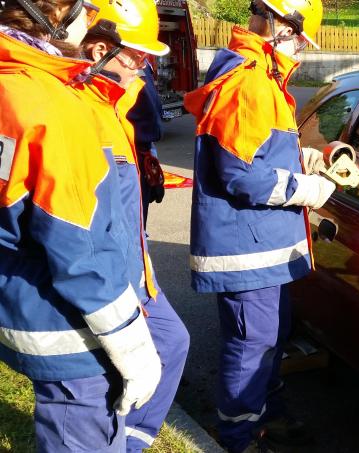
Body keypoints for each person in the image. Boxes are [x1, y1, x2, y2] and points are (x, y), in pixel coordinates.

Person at [0, 0, 162, 451]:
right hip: (69, 328)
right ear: (56, 16)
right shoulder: (50, 103)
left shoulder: (10, 84)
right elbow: (81, 247)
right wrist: (132, 348)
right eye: (84, 10)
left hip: (24, 299)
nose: (90, 21)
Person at [184, 0, 330, 451]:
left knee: (271, 338)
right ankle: (236, 435)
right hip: (246, 248)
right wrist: (305, 190)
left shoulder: (263, 77)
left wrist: (302, 159)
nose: (299, 52)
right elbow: (239, 174)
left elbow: (258, 152)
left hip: (264, 246)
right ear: (282, 27)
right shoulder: (249, 80)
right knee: (252, 346)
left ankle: (268, 414)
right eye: (299, 41)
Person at [79, 0, 191, 450]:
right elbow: (77, 229)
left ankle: (133, 441)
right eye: (136, 57)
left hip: (132, 271)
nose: (145, 69)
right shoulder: (80, 113)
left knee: (172, 342)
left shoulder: (109, 104)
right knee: (93, 394)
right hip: (107, 283)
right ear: (98, 52)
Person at [127, 59, 165, 227]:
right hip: (132, 148)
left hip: (142, 147)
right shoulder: (128, 61)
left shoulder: (140, 63)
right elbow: (151, 109)